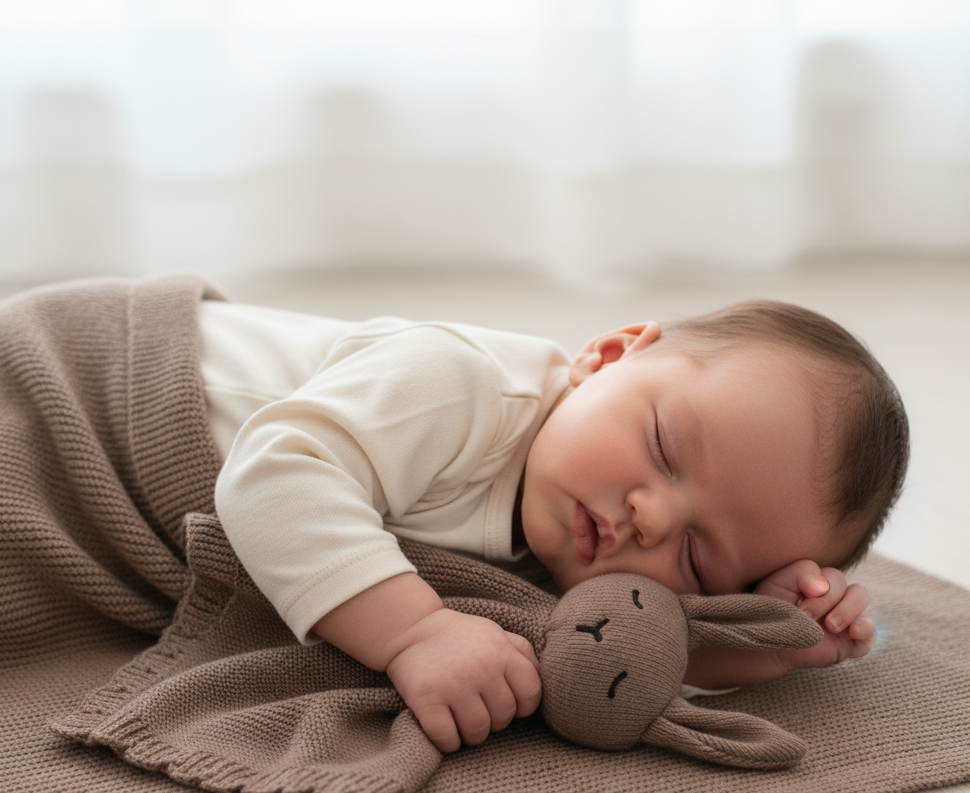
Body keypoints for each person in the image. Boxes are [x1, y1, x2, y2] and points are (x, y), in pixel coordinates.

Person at [206, 297, 909, 753]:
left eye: (696, 559)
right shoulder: (458, 385)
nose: (652, 518)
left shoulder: (574, 556)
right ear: (609, 358)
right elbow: (273, 476)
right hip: (150, 386)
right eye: (665, 449)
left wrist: (761, 646)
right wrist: (416, 633)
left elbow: (616, 647)